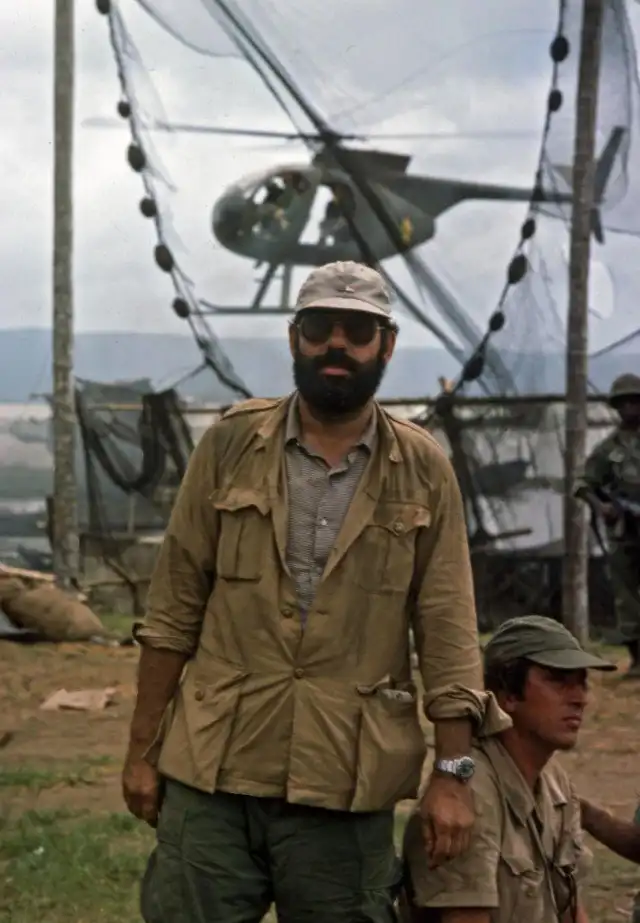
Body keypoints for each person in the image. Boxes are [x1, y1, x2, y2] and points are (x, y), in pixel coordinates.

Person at [123, 260, 489, 923]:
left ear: (387, 345)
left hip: (344, 782)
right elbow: (172, 609)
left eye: (358, 330)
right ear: (295, 338)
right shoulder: (231, 444)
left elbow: (449, 631)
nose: (336, 344)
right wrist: (143, 750)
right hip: (214, 769)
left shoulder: (424, 470)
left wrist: (453, 774)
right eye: (320, 327)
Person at [402, 614, 617, 923]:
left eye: (582, 682)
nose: (579, 698)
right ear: (508, 696)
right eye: (559, 680)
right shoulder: (470, 795)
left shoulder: (555, 784)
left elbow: (571, 909)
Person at [576, 373, 640, 678]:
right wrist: (601, 507)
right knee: (626, 595)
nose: (630, 408)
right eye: (623, 402)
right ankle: (637, 659)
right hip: (625, 530)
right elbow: (583, 484)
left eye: (634, 401)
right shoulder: (607, 449)